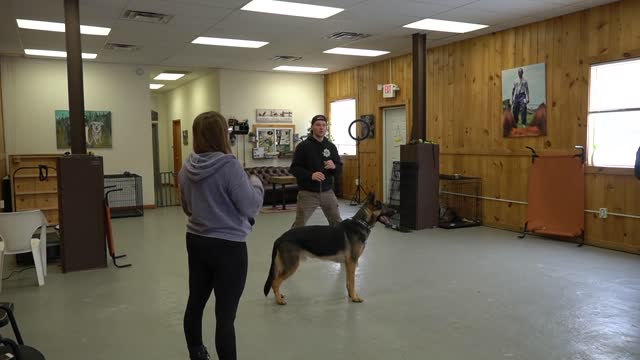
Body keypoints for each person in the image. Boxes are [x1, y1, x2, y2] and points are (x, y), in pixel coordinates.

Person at [178, 111, 264, 360]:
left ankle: (197, 353)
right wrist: (256, 184)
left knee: (195, 302)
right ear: (222, 135)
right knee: (225, 316)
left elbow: (187, 208)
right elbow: (250, 206)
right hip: (229, 247)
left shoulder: (186, 167)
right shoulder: (230, 166)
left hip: (196, 241)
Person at [290, 114, 343, 228]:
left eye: (324, 125)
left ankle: (339, 245)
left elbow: (339, 169)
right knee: (299, 225)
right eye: (318, 125)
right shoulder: (303, 146)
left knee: (338, 225)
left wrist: (334, 166)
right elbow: (294, 168)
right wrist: (310, 175)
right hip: (307, 193)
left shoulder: (331, 147)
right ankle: (291, 245)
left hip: (327, 192)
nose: (321, 128)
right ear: (312, 127)